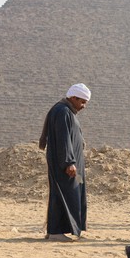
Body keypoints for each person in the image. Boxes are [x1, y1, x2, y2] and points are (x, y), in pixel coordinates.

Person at [39, 83, 91, 242]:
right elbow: (63, 139)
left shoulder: (67, 111)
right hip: (66, 165)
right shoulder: (62, 112)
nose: (83, 106)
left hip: (71, 164)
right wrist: (69, 162)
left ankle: (59, 230)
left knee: (71, 195)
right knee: (62, 195)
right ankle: (55, 232)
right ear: (73, 98)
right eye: (82, 102)